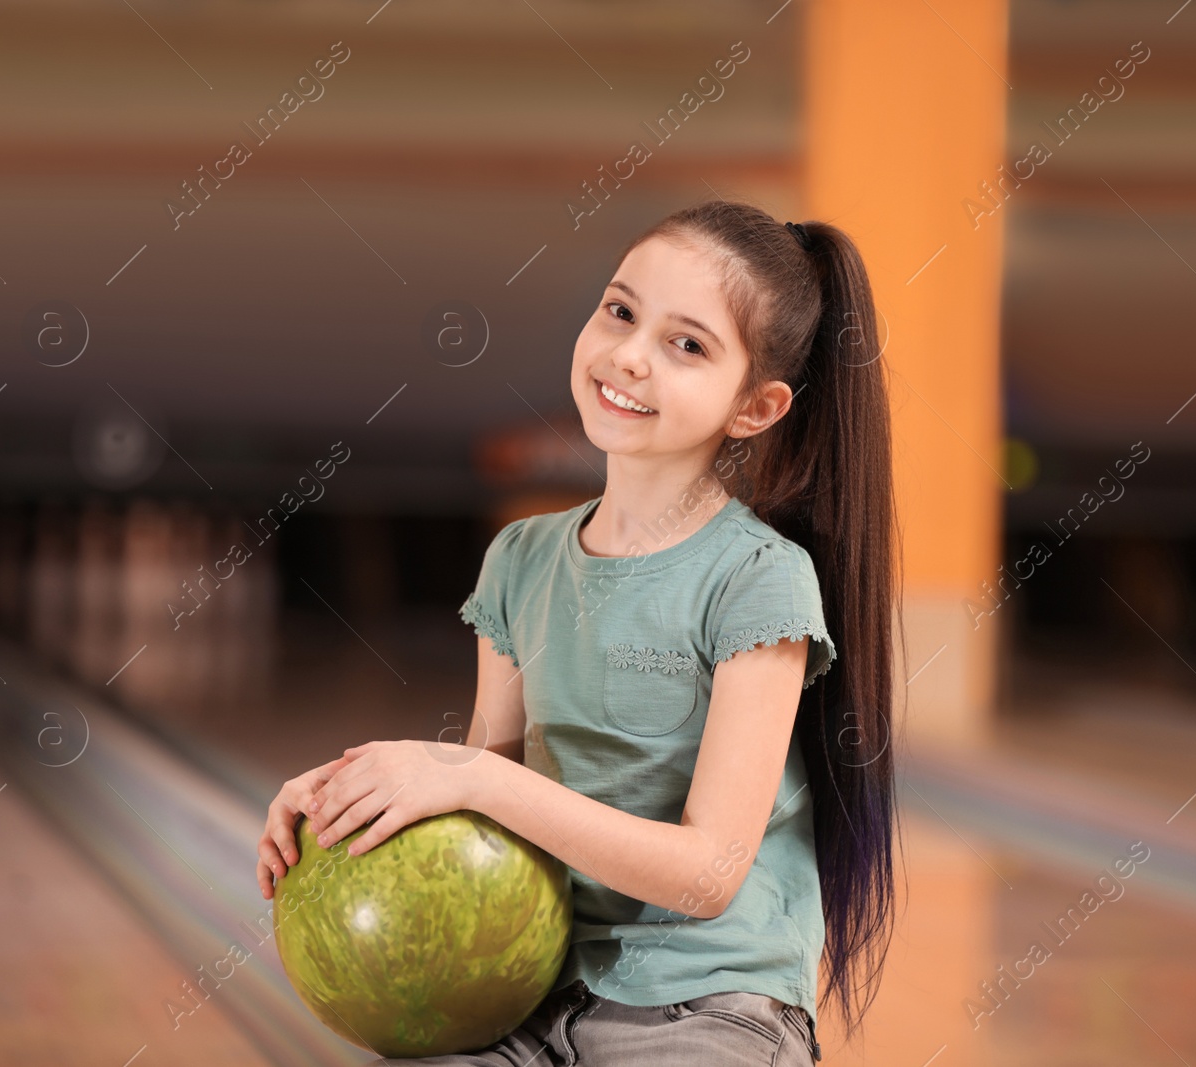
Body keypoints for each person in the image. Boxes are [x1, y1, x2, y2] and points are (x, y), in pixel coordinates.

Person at [256, 198, 901, 1065]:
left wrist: (476, 777)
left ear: (755, 406)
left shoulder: (758, 579)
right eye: (620, 310)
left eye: (687, 344)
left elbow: (710, 873)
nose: (629, 354)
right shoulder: (520, 559)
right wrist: (339, 800)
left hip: (713, 1006)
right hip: (533, 988)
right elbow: (490, 786)